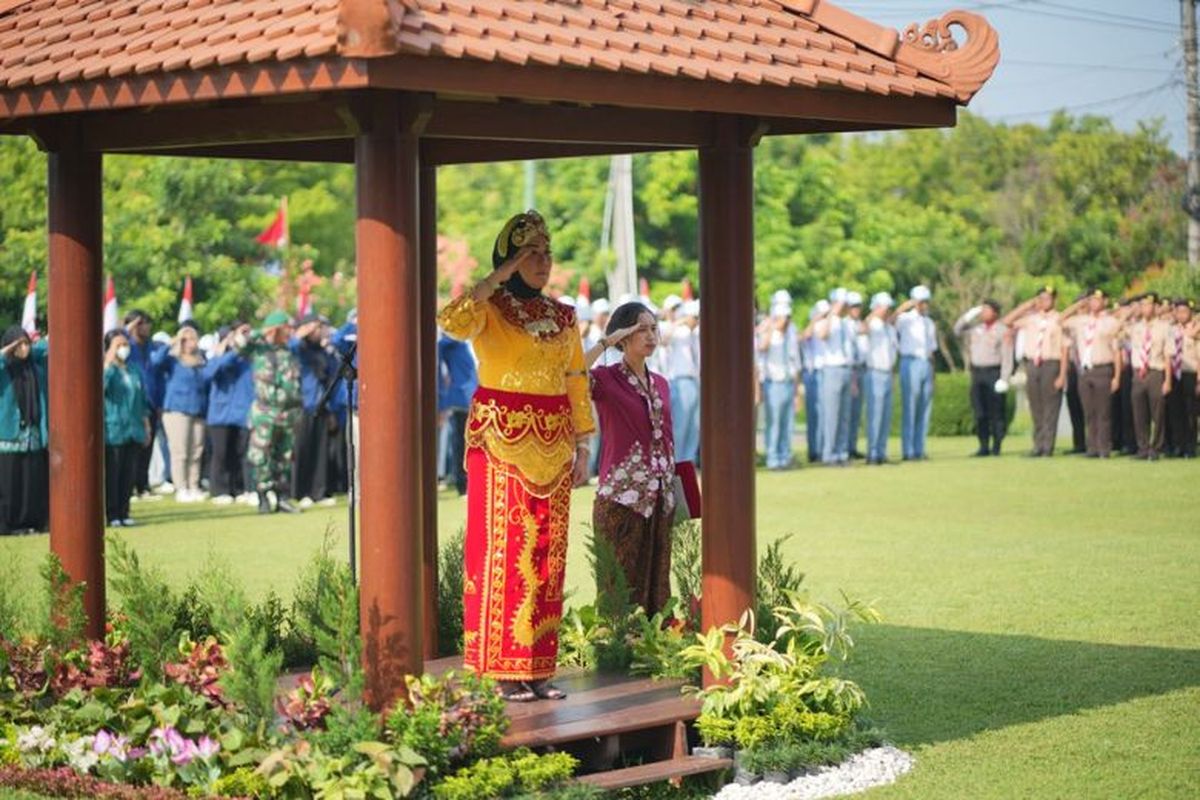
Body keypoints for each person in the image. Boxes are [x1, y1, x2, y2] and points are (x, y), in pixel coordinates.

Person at [438, 210, 594, 703]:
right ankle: (501, 669)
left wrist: (585, 439)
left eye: (547, 254)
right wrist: (496, 279)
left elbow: (575, 377)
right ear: (510, 260)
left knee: (549, 555)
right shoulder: (490, 307)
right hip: (502, 437)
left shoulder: (564, 315)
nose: (544, 263)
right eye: (532, 255)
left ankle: (538, 668)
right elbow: (451, 321)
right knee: (504, 551)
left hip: (554, 439)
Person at [586, 301, 675, 615]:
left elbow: (666, 438)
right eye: (641, 329)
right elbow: (568, 374)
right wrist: (606, 342)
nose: (650, 335)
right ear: (623, 336)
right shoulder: (606, 379)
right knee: (618, 587)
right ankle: (617, 651)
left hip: (660, 498)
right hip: (621, 499)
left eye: (653, 328)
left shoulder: (662, 383)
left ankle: (656, 648)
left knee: (657, 586)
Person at [235, 311, 302, 513]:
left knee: (284, 456)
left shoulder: (289, 352)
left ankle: (282, 497)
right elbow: (240, 346)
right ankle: (263, 496)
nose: (290, 331)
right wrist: (262, 331)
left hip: (288, 413)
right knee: (261, 455)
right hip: (265, 412)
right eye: (286, 328)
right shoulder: (258, 350)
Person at [1004, 286, 1068, 457]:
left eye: (1047, 298)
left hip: (1051, 363)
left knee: (1050, 407)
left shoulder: (1059, 319)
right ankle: (1037, 445)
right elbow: (1007, 321)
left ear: (1054, 300)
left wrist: (1062, 374)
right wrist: (1027, 305)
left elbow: (1064, 349)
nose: (1043, 301)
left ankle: (1048, 446)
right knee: (1036, 406)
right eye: (1041, 298)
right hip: (1033, 363)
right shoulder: (1031, 319)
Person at [151, 321, 209, 502]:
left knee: (196, 451)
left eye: (193, 338)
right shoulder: (172, 360)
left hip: (198, 410)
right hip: (177, 410)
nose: (191, 342)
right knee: (180, 451)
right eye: (187, 339)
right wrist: (174, 341)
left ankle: (193, 485)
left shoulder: (201, 360)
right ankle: (181, 487)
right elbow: (155, 361)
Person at [1062, 290, 1123, 458]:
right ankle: (1092, 447)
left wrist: (1117, 376)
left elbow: (1117, 351)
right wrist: (1079, 305)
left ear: (1105, 301)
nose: (1094, 303)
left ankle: (1104, 448)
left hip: (1103, 368)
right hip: (1085, 370)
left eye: (1098, 300)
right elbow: (1061, 319)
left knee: (1103, 411)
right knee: (1089, 411)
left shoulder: (1111, 322)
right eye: (1092, 300)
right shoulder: (1081, 321)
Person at [0, 326, 49, 534]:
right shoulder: (4, 370)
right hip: (9, 437)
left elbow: (46, 348)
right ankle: (10, 524)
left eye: (26, 343)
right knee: (10, 485)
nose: (24, 348)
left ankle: (30, 522)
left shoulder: (35, 369)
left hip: (33, 435)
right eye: (18, 344)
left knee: (31, 482)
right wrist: (6, 351)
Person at [291, 313, 341, 507]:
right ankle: (301, 491)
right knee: (303, 449)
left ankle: (318, 491)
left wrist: (328, 347)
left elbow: (334, 372)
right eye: (317, 329)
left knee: (321, 451)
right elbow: (291, 347)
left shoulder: (322, 352)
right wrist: (302, 332)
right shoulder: (300, 349)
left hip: (322, 405)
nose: (320, 332)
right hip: (303, 405)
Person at [103, 328, 150, 527]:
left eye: (125, 345)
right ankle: (112, 513)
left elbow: (142, 400)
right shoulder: (108, 370)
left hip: (134, 428)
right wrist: (108, 362)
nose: (123, 349)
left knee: (129, 473)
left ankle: (125, 511)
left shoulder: (133, 370)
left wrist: (146, 425)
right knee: (113, 473)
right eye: (119, 345)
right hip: (114, 429)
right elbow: (101, 389)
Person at [203, 324, 255, 503]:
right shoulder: (218, 356)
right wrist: (230, 350)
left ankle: (240, 488)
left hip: (243, 412)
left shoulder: (248, 358)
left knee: (242, 452)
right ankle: (220, 490)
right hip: (220, 414)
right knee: (221, 453)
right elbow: (208, 374)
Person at [953, 300, 1009, 456]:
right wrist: (971, 313)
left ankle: (996, 445)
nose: (984, 313)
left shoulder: (1002, 330)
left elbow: (1007, 356)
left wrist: (1004, 378)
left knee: (996, 412)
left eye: (987, 310)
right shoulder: (975, 329)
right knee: (980, 412)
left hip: (994, 372)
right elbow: (957, 330)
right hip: (977, 373)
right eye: (982, 310)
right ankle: (983, 446)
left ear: (995, 313)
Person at [121, 310, 167, 496]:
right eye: (141, 323)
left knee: (147, 446)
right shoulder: (127, 345)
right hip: (132, 403)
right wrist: (128, 328)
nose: (146, 327)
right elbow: (112, 339)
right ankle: (130, 485)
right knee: (133, 447)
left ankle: (143, 484)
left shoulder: (152, 346)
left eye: (147, 323)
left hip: (152, 402)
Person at [1123, 292, 1173, 460]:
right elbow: (1117, 328)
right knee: (1139, 412)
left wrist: (1167, 380)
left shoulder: (1165, 327)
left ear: (1156, 307)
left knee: (1157, 413)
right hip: (1138, 373)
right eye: (1143, 305)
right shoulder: (1135, 327)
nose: (1146, 308)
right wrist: (1131, 312)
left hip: (1155, 371)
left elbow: (1168, 355)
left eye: (1149, 305)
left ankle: (1156, 447)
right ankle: (1143, 448)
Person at [757, 291, 801, 470]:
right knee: (773, 423)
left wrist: (798, 389)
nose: (786, 320)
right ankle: (773, 457)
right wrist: (769, 328)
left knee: (787, 423)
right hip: (773, 383)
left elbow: (795, 360)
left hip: (788, 381)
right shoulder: (768, 331)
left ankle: (785, 455)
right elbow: (762, 349)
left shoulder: (791, 332)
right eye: (784, 317)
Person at [893, 286, 938, 460]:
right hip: (909, 361)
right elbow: (889, 321)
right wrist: (904, 307)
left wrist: (932, 374)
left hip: (925, 363)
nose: (924, 305)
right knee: (910, 406)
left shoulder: (929, 322)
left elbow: (932, 350)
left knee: (924, 408)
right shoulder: (905, 319)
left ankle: (920, 448)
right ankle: (908, 450)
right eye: (921, 302)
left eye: (926, 302)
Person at [438, 324, 479, 495]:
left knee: (470, 442)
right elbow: (441, 345)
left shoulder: (466, 343)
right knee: (459, 443)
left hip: (472, 395)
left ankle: (470, 481)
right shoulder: (453, 343)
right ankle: (461, 484)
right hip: (461, 396)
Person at [815, 288, 854, 466]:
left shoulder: (847, 323)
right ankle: (829, 454)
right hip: (831, 369)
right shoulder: (825, 321)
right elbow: (823, 335)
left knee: (845, 415)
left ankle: (841, 453)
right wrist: (832, 314)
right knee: (832, 414)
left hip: (846, 369)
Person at [663, 300, 701, 465]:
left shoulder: (695, 333)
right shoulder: (676, 331)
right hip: (680, 380)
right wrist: (680, 322)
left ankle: (688, 462)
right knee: (681, 426)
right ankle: (676, 462)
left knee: (694, 425)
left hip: (694, 380)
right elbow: (663, 340)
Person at [862, 293, 897, 464]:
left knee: (885, 415)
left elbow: (892, 353)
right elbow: (862, 329)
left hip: (888, 372)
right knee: (874, 414)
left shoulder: (890, 328)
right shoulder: (873, 324)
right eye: (884, 307)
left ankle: (881, 451)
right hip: (874, 372)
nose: (887, 311)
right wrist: (873, 314)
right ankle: (872, 452)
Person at [1165, 298, 1199, 458]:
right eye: (1178, 312)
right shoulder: (1171, 330)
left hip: (1190, 373)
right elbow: (1168, 354)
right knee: (1175, 411)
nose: (1181, 315)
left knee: (1190, 412)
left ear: (1190, 313)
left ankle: (1190, 447)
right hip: (1175, 373)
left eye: (1184, 312)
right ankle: (1178, 445)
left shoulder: (1196, 330)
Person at [801, 300, 830, 462]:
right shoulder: (813, 326)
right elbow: (805, 335)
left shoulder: (829, 325)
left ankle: (822, 448)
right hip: (813, 372)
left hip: (825, 370)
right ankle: (814, 450)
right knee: (814, 413)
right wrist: (815, 320)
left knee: (826, 413)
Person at [844, 292, 867, 460]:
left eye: (858, 306)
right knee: (846, 412)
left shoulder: (862, 324)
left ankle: (852, 446)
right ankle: (844, 447)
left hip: (862, 369)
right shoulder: (844, 324)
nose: (857, 309)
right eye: (853, 306)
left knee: (856, 413)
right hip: (849, 369)